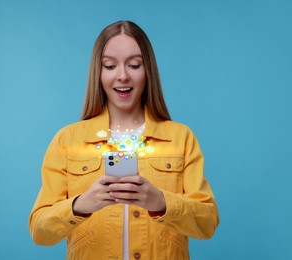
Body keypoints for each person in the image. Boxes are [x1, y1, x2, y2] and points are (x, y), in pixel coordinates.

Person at [29, 20, 219, 260]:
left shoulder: (181, 138)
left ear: (147, 70)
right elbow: (39, 231)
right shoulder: (67, 140)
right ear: (98, 73)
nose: (122, 76)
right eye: (109, 66)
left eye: (134, 65)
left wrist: (160, 202)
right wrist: (79, 205)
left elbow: (207, 223)